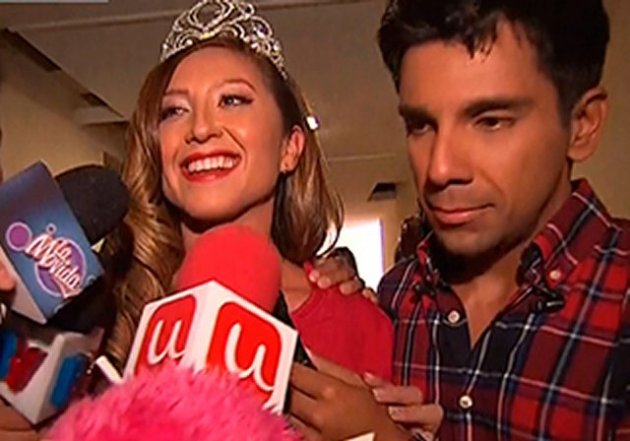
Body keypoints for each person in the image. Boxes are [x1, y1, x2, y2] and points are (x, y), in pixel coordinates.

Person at [292, 0, 630, 439]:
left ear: (582, 124)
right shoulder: (397, 297)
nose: (440, 168)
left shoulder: (619, 298)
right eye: (421, 125)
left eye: (490, 122)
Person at [104, 0, 393, 381]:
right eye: (174, 111)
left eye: (232, 100)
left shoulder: (357, 323)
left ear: (289, 148)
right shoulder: (110, 302)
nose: (200, 129)